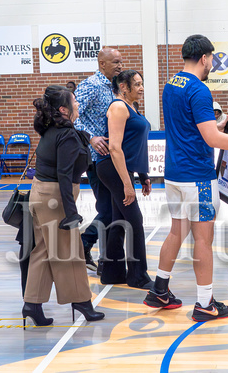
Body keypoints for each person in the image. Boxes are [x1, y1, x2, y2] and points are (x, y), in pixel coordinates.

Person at [143, 35, 228, 322]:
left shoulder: (171, 83)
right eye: (212, 58)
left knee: (177, 231)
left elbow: (193, 126)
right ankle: (205, 304)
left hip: (174, 174)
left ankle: (159, 290)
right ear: (204, 58)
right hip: (197, 176)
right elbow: (211, 138)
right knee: (203, 239)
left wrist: (226, 121)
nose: (213, 63)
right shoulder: (199, 90)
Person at [22, 85, 104, 326]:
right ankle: (81, 301)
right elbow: (65, 176)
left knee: (43, 251)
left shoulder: (52, 130)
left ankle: (32, 304)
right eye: (75, 101)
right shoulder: (66, 135)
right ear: (63, 109)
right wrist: (72, 214)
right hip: (55, 198)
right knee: (69, 252)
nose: (78, 104)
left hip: (40, 194)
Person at [96, 70, 153, 289]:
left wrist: (143, 176)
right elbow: (115, 148)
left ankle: (112, 273)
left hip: (124, 169)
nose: (141, 88)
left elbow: (134, 146)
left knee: (119, 221)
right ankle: (138, 276)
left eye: (142, 83)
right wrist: (128, 185)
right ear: (123, 86)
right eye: (136, 84)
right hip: (113, 168)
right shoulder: (118, 107)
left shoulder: (132, 107)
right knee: (135, 220)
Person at [74, 47, 123, 272]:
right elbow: (72, 118)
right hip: (97, 158)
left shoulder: (114, 88)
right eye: (115, 62)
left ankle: (102, 256)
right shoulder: (90, 86)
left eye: (120, 61)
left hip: (113, 157)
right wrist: (91, 138)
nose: (119, 65)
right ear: (101, 64)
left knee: (111, 209)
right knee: (107, 209)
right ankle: (84, 246)